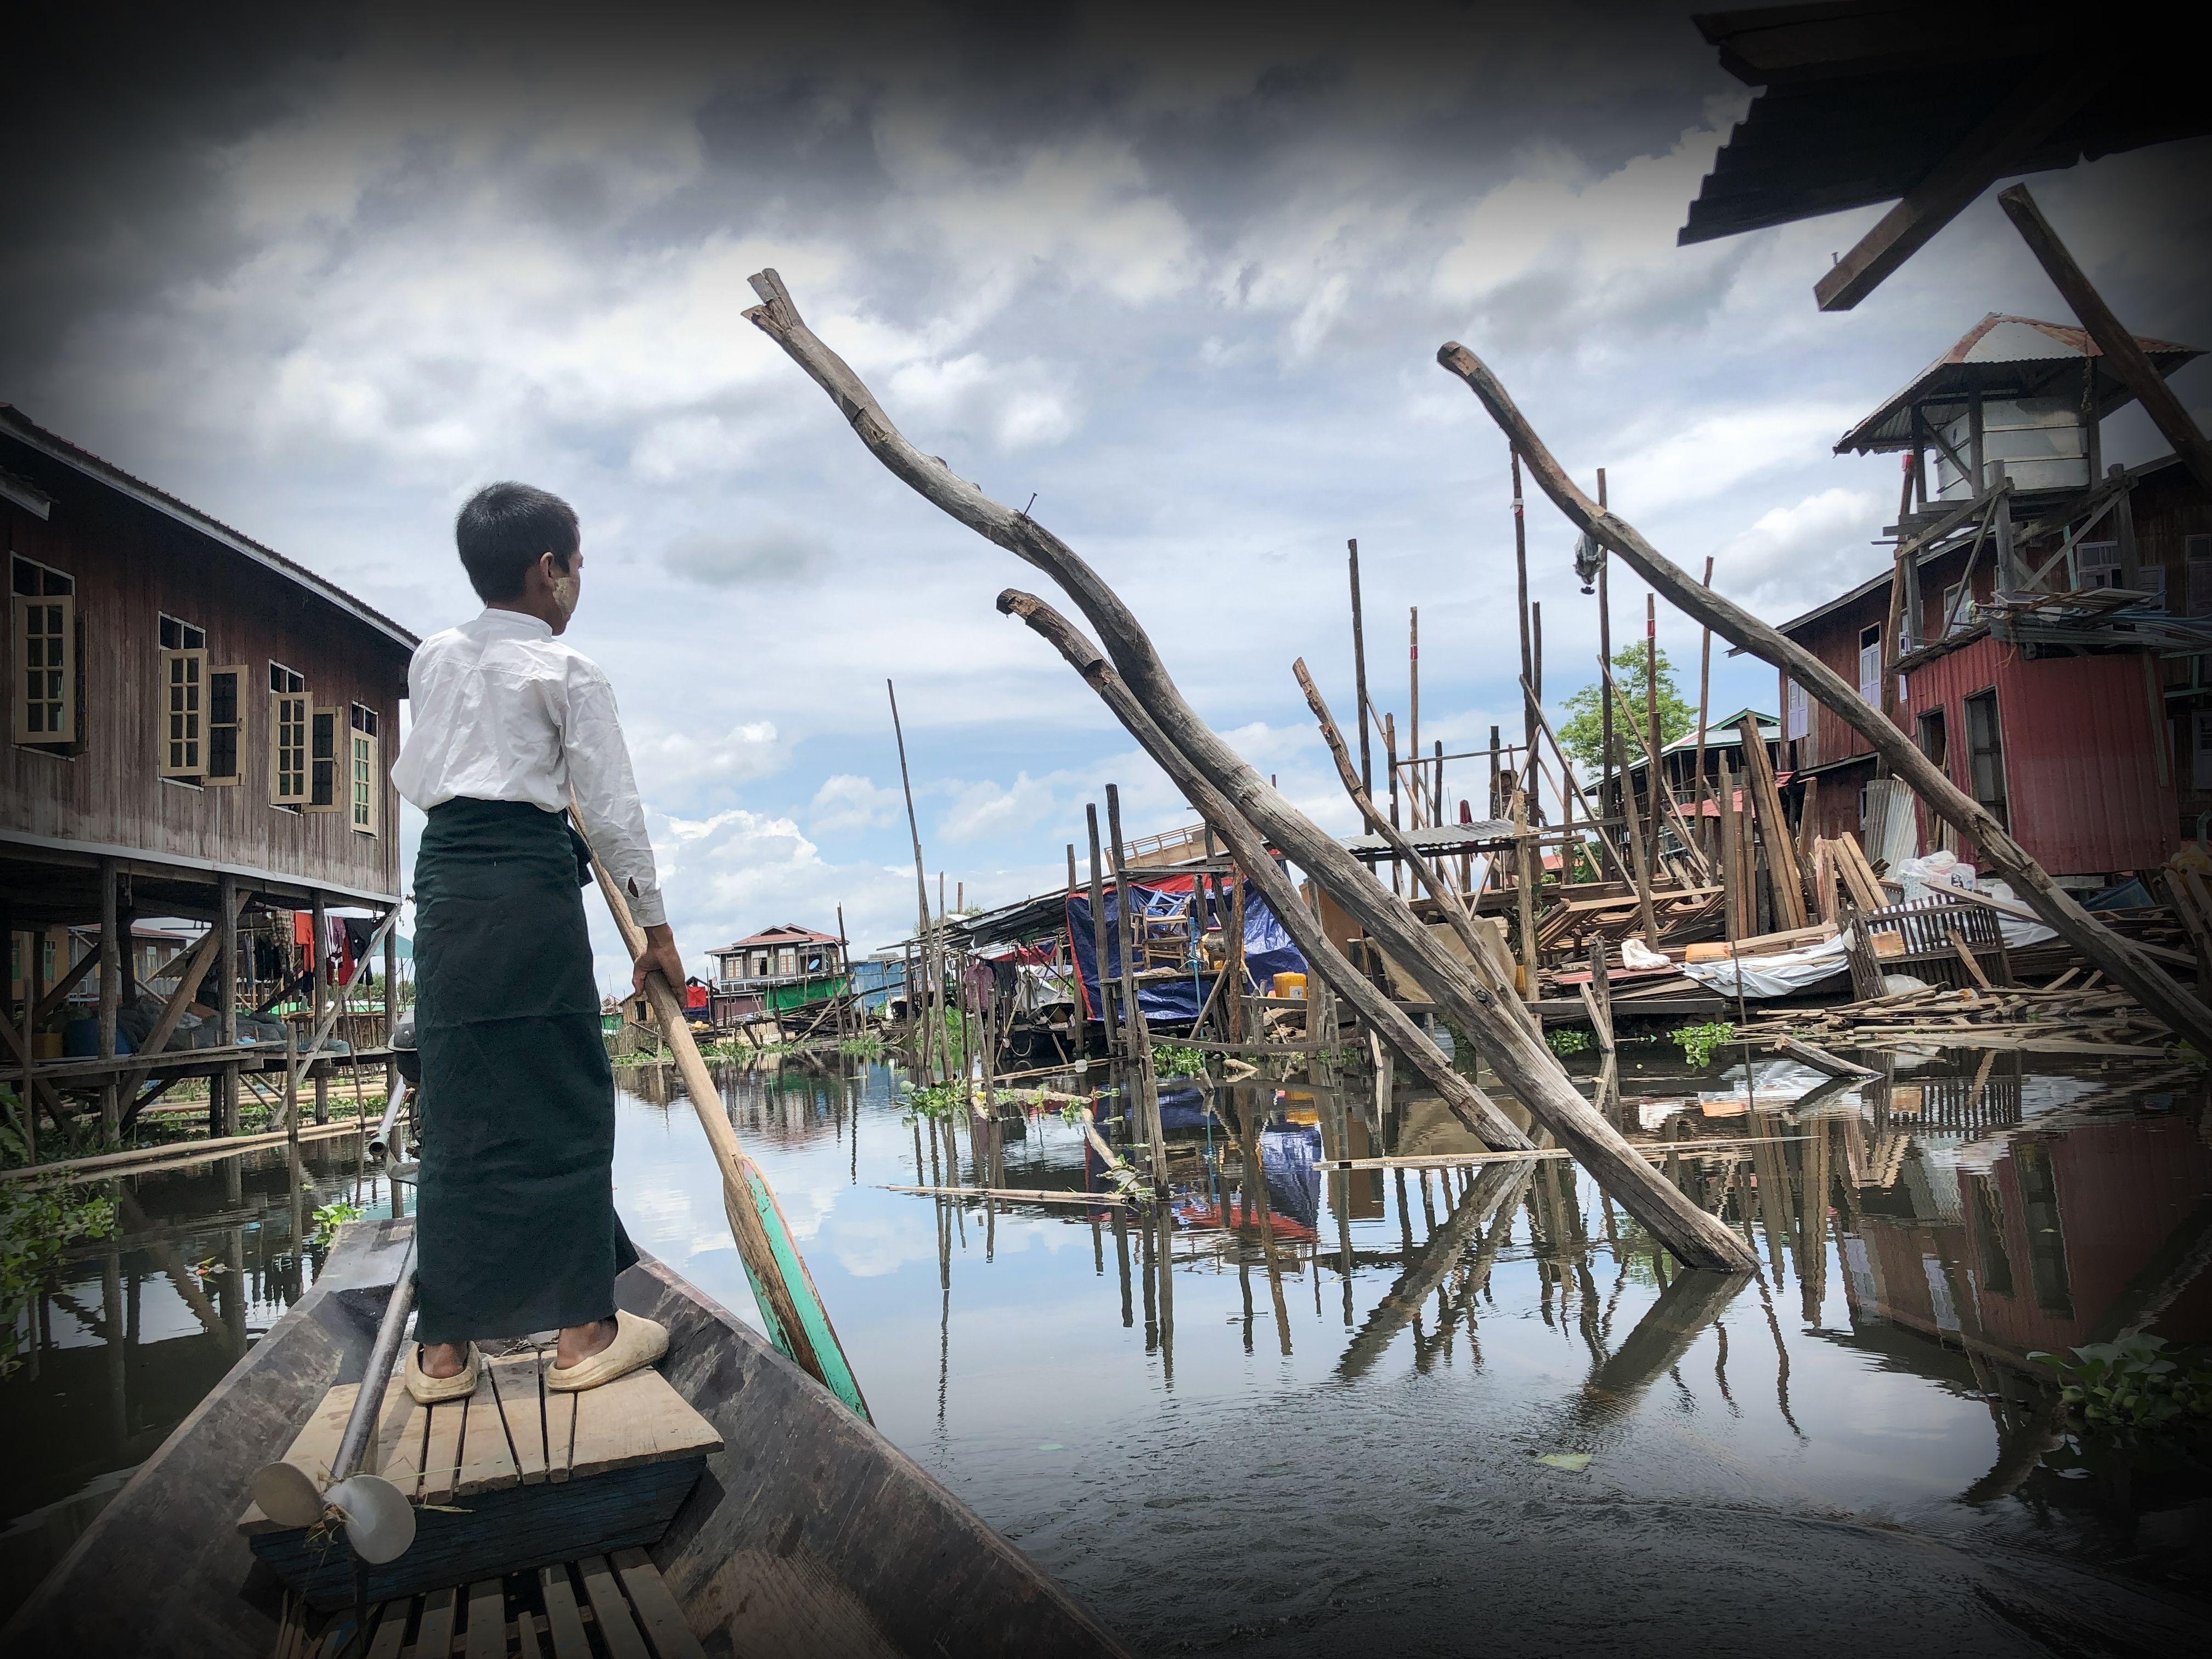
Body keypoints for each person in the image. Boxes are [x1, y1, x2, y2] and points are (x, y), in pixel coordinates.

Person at [391, 482, 685, 1402]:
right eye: (579, 565)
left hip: (444, 888)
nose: (580, 583)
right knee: (562, 1092)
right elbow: (610, 811)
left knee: (460, 1094)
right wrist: (658, 932)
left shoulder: (432, 659)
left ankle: (443, 1353)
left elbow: (441, 773)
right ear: (548, 570)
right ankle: (584, 1333)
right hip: (524, 880)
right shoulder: (568, 672)